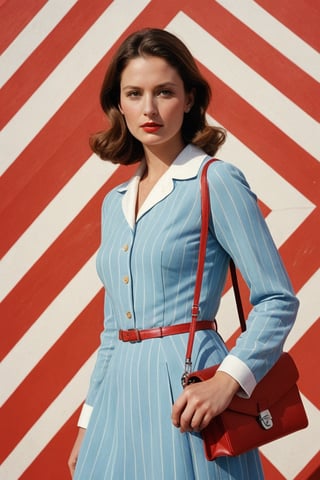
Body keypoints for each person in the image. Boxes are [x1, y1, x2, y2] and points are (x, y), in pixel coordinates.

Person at [68, 28, 299, 479]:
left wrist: (228, 382)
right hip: (116, 402)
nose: (149, 109)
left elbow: (277, 299)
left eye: (165, 92)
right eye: (134, 93)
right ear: (119, 103)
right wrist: (88, 422)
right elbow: (114, 330)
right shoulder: (113, 204)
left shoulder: (216, 181)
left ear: (190, 99)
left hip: (187, 395)